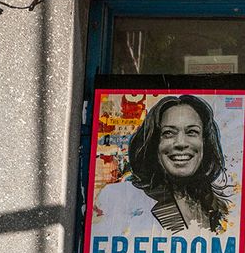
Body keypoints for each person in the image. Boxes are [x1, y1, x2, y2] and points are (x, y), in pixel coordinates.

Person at [91, 94, 234, 242]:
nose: (180, 143)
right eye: (168, 133)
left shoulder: (218, 207)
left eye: (192, 132)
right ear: (154, 144)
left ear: (205, 142)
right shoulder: (121, 197)